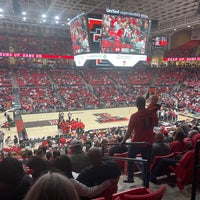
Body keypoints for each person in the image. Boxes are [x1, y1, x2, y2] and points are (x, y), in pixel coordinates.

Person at [120, 96, 158, 186]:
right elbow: (156, 124)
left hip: (136, 142)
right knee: (146, 164)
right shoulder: (152, 113)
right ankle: (145, 183)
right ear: (145, 103)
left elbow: (129, 132)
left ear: (136, 104)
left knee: (130, 160)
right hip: (148, 142)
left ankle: (130, 178)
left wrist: (123, 141)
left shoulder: (134, 116)